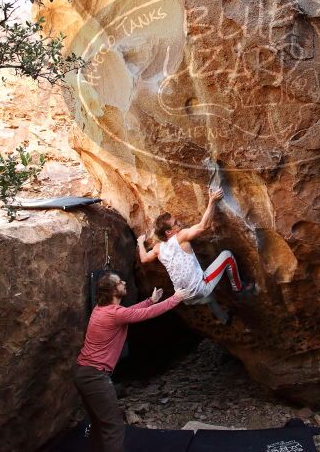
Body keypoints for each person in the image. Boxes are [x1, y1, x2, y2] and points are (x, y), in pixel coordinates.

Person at [75, 273, 193, 452]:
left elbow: (130, 313)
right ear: (113, 290)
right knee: (113, 426)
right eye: (119, 282)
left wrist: (150, 300)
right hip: (95, 377)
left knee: (100, 424)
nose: (123, 283)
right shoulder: (113, 314)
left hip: (84, 374)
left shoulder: (101, 309)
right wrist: (175, 299)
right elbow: (145, 314)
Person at [137, 187, 254, 324]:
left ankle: (224, 319)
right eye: (175, 223)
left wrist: (140, 242)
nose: (179, 223)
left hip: (183, 297)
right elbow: (203, 226)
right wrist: (212, 201)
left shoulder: (158, 249)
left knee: (209, 297)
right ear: (169, 232)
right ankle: (238, 288)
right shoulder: (180, 237)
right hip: (199, 289)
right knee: (227, 256)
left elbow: (144, 258)